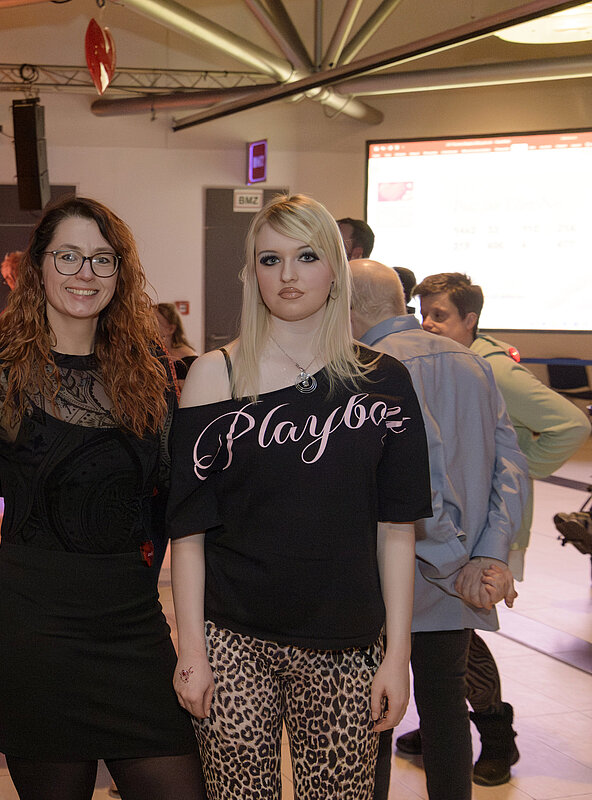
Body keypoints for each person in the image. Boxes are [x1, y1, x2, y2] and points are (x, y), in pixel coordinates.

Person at [168, 194, 430, 799]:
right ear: (252, 272)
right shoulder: (216, 375)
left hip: (347, 643)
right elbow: (188, 532)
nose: (288, 274)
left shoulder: (384, 381)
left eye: (307, 256)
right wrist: (192, 650)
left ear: (336, 267)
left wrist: (397, 656)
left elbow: (396, 530)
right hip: (233, 641)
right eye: (271, 259)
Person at [0, 196, 204, 800]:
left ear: (120, 273)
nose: (85, 272)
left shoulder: (148, 371)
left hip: (131, 622)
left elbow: (167, 496)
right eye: (68, 256)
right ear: (38, 267)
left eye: (102, 259)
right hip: (32, 630)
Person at [349, 259, 527, 800]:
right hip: (458, 574)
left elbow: (419, 484)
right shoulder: (473, 361)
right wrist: (487, 558)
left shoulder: (367, 368)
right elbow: (510, 464)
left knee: (375, 716)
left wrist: (458, 566)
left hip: (389, 573)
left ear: (348, 306)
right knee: (445, 709)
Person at [410, 271, 591, 785]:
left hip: (491, 527)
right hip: (461, 525)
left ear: (470, 319)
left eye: (441, 314)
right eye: (424, 313)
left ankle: (495, 737)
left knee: (462, 636)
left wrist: (517, 466)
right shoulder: (445, 360)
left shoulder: (491, 367)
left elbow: (572, 425)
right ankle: (441, 719)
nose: (428, 323)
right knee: (444, 634)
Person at [153, 302, 198, 381]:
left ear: (171, 329)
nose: (147, 325)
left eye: (154, 320)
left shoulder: (187, 358)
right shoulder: (151, 351)